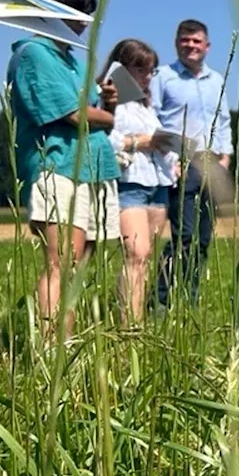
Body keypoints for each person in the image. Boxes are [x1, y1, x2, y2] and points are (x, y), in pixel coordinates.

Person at [5, 0, 122, 336]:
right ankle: (55, 351)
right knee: (62, 263)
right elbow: (72, 114)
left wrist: (108, 106)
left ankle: (64, 345)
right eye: (77, 16)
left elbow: (91, 114)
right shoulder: (34, 52)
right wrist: (109, 117)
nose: (84, 25)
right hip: (57, 165)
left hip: (88, 167)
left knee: (79, 265)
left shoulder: (70, 58)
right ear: (50, 12)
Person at [149, 18, 233, 307]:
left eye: (196, 41)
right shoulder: (163, 77)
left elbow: (223, 121)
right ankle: (162, 301)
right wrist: (171, 160)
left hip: (212, 164)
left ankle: (190, 299)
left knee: (203, 238)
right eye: (185, 40)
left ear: (207, 46)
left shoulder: (217, 80)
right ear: (176, 43)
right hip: (179, 163)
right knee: (183, 236)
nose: (190, 45)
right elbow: (154, 120)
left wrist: (225, 158)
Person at [101, 38, 178, 323]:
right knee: (137, 254)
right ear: (122, 68)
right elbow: (102, 141)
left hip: (158, 185)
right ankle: (129, 326)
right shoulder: (109, 102)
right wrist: (137, 142)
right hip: (129, 183)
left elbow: (158, 144)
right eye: (142, 69)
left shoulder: (147, 108)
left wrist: (174, 158)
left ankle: (136, 319)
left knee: (145, 258)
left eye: (152, 71)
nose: (148, 77)